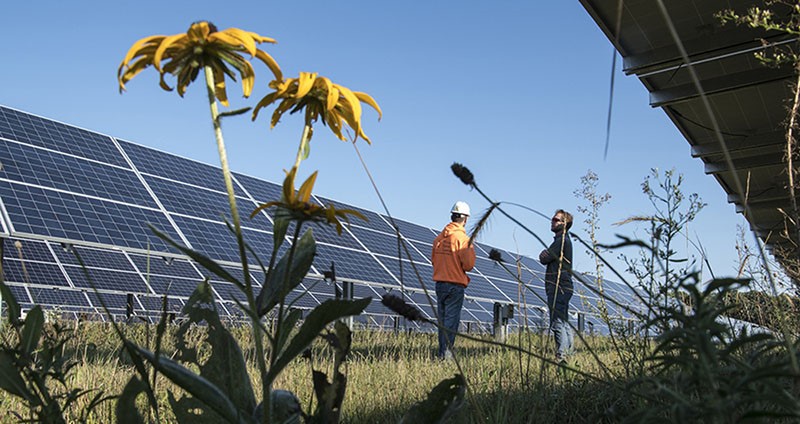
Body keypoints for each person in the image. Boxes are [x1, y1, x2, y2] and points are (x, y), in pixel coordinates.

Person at [431, 201, 476, 359]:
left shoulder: (438, 239)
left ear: (452, 216)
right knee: (451, 323)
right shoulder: (463, 239)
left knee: (442, 322)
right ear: (465, 219)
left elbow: (434, 260)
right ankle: (446, 356)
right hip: (455, 285)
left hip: (440, 284)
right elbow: (469, 265)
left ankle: (442, 353)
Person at [539, 209, 574, 363]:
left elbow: (544, 259)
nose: (552, 222)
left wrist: (544, 254)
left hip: (558, 286)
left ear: (565, 224)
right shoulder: (562, 241)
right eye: (553, 219)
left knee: (557, 322)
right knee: (564, 321)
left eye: (556, 220)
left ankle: (561, 356)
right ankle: (568, 352)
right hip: (564, 286)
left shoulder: (561, 241)